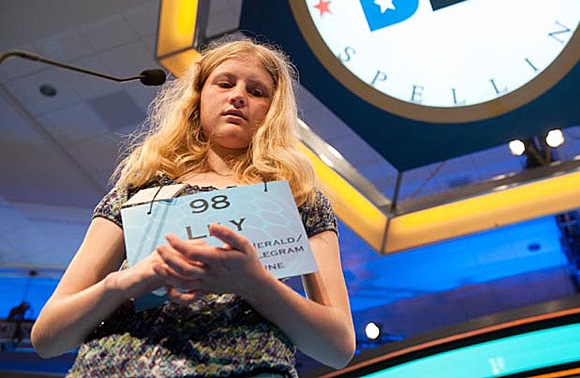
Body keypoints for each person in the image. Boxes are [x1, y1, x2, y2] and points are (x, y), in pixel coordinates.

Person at [30, 38, 356, 377]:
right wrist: (129, 280)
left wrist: (253, 282)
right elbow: (47, 338)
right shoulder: (139, 186)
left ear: (272, 111)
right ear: (198, 97)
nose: (238, 96)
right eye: (225, 83)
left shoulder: (297, 194)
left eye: (257, 91)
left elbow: (337, 348)